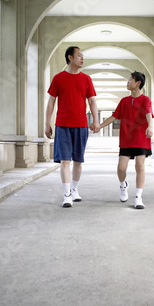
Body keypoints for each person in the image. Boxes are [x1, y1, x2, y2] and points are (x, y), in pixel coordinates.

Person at [45, 46, 100, 207]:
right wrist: (47, 123)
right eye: (79, 55)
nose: (82, 58)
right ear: (70, 57)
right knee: (65, 161)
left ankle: (74, 189)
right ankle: (66, 194)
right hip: (62, 125)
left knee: (78, 161)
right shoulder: (58, 78)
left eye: (82, 56)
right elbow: (51, 101)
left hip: (81, 125)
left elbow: (92, 101)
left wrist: (96, 120)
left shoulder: (86, 79)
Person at [92, 71, 154, 209]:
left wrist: (150, 126)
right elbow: (114, 116)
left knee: (140, 166)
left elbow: (149, 113)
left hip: (142, 138)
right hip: (127, 139)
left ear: (138, 83)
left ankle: (138, 197)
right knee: (121, 168)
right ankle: (123, 185)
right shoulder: (124, 101)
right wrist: (99, 126)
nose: (128, 82)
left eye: (130, 79)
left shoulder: (145, 100)